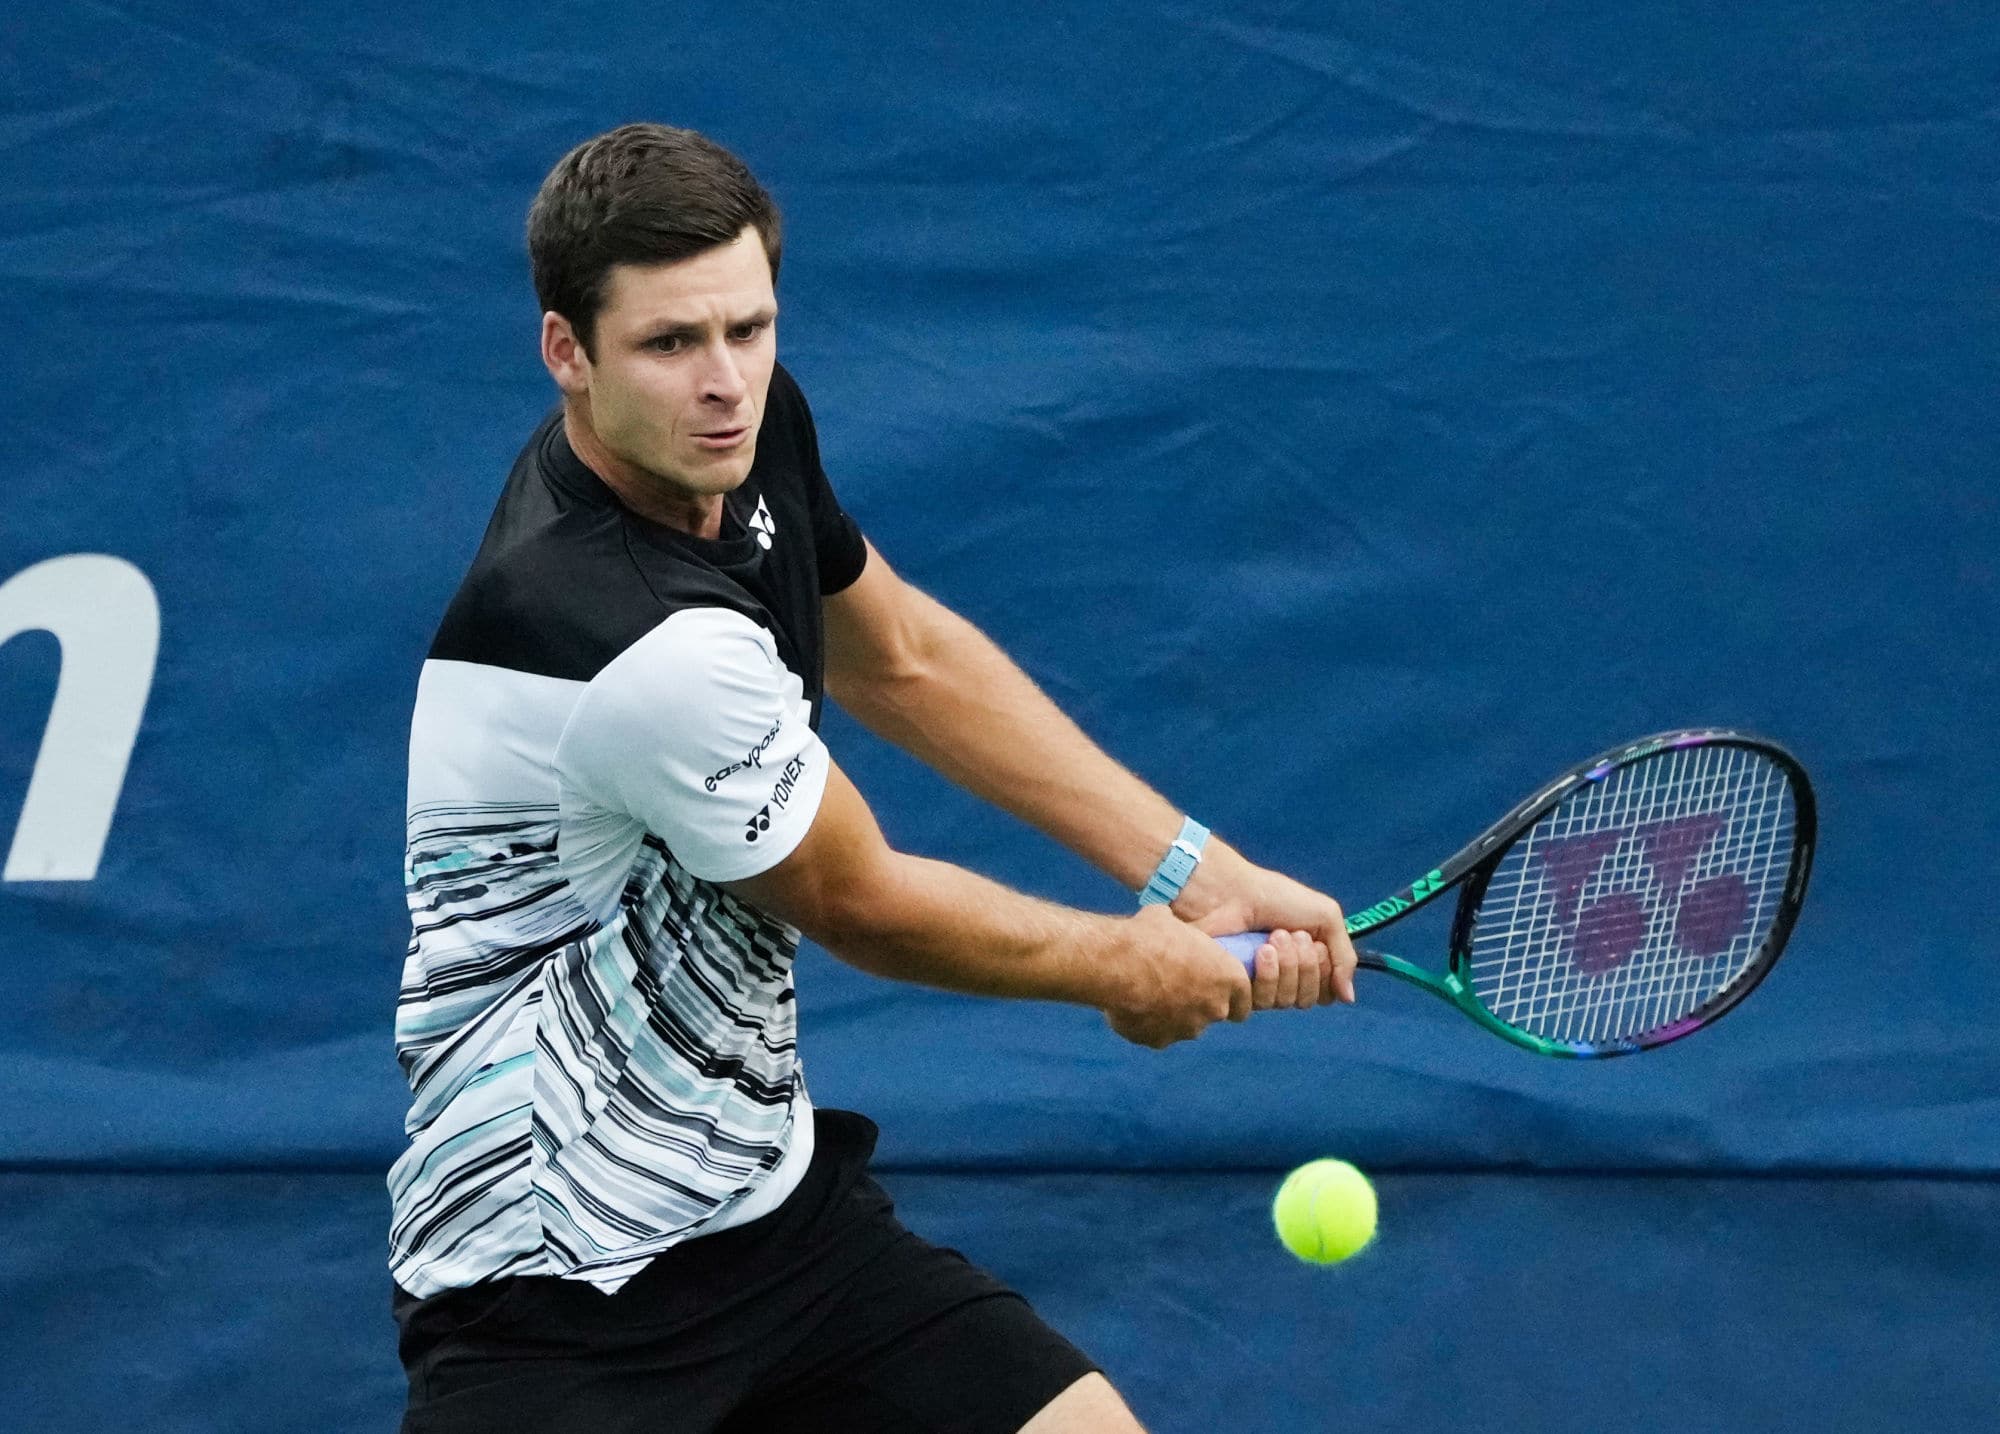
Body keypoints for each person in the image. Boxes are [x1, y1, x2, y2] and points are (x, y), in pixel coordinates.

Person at [388, 122, 1359, 1434]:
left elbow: (900, 657)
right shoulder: (620, 628)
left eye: (750, 326)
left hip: (780, 1228)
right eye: (671, 344)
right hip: (555, 1289)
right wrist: (1128, 969)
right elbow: (861, 901)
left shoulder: (742, 435)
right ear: (566, 350)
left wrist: (1202, 873)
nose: (725, 380)